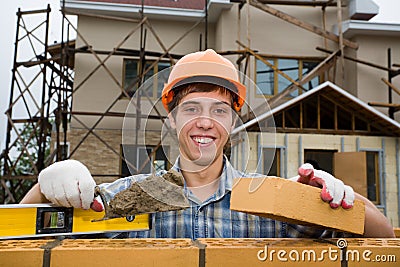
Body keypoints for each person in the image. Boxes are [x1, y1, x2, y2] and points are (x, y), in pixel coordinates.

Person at [21, 49, 395, 238]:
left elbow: (384, 237)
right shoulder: (126, 198)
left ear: (232, 122)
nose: (205, 122)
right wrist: (45, 187)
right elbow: (19, 237)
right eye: (191, 109)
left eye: (219, 110)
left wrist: (342, 198)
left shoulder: (272, 201)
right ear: (171, 119)